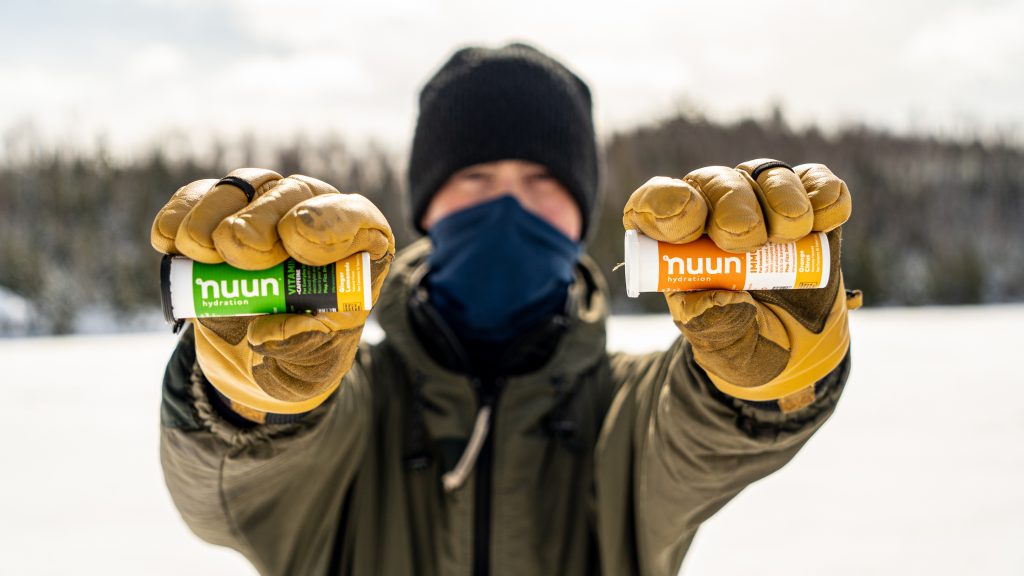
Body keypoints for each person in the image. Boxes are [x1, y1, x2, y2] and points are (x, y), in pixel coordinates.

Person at [151, 43, 859, 576]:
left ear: (580, 210)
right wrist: (245, 395)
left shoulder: (625, 415)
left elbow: (705, 433)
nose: (508, 204)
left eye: (541, 179)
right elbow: (225, 490)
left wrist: (767, 379)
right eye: (476, 177)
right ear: (426, 204)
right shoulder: (348, 403)